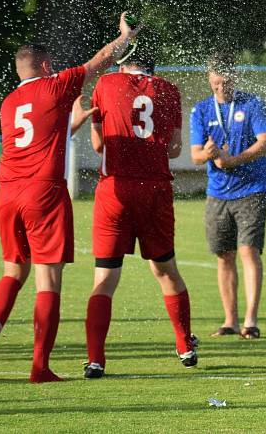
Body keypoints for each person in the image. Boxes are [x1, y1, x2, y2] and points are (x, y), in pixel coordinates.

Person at [0, 13, 137, 382]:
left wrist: (71, 124)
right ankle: (40, 367)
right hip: (43, 192)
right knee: (48, 280)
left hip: (7, 192)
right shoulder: (55, 85)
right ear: (44, 65)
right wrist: (124, 37)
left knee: (13, 271)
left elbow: (36, 138)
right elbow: (99, 61)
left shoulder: (9, 103)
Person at [83, 35, 197, 379]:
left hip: (114, 190)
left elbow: (99, 142)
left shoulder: (105, 83)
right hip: (155, 189)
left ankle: (95, 360)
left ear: (124, 61)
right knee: (166, 271)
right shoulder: (170, 90)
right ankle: (184, 345)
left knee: (105, 278)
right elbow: (175, 148)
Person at [190, 55, 266, 339]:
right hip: (217, 193)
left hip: (251, 189)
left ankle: (250, 321)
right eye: (215, 84)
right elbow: (195, 156)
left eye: (225, 83)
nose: (221, 89)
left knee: (248, 250)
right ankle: (230, 321)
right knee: (224, 255)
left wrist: (234, 159)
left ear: (234, 78)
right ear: (209, 81)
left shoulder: (252, 104)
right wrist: (210, 154)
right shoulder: (201, 110)